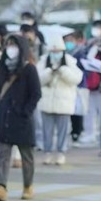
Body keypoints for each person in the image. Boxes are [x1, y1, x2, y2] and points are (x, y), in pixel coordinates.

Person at [0, 35, 41, 201]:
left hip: (23, 120)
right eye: (8, 45)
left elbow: (36, 94)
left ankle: (28, 186)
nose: (10, 48)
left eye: (14, 45)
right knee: (1, 154)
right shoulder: (1, 68)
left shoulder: (29, 69)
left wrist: (25, 111)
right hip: (4, 118)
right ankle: (0, 187)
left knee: (27, 156)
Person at [37, 37, 82, 165]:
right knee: (47, 130)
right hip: (46, 102)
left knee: (63, 130)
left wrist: (63, 70)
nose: (55, 53)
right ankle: (47, 153)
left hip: (64, 103)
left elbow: (77, 78)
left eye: (58, 51)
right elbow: (37, 79)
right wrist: (49, 72)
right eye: (53, 51)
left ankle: (61, 153)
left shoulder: (70, 61)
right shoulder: (43, 61)